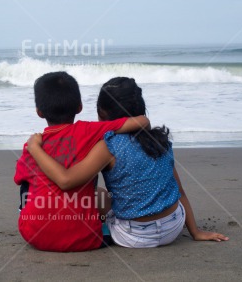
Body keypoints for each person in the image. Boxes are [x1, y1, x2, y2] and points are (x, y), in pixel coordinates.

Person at [26, 77, 229, 248]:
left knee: (97, 195)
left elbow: (66, 180)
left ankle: (104, 229)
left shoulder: (107, 146)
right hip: (174, 227)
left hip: (133, 237)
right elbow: (179, 190)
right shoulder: (159, 139)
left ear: (103, 115)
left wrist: (35, 148)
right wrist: (195, 232)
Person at [14, 72, 150, 252]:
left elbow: (20, 178)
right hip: (86, 238)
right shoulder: (91, 131)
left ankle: (39, 221)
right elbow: (142, 122)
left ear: (39, 112)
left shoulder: (31, 147)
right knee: (93, 184)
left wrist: (35, 149)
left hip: (34, 236)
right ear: (79, 107)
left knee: (27, 184)